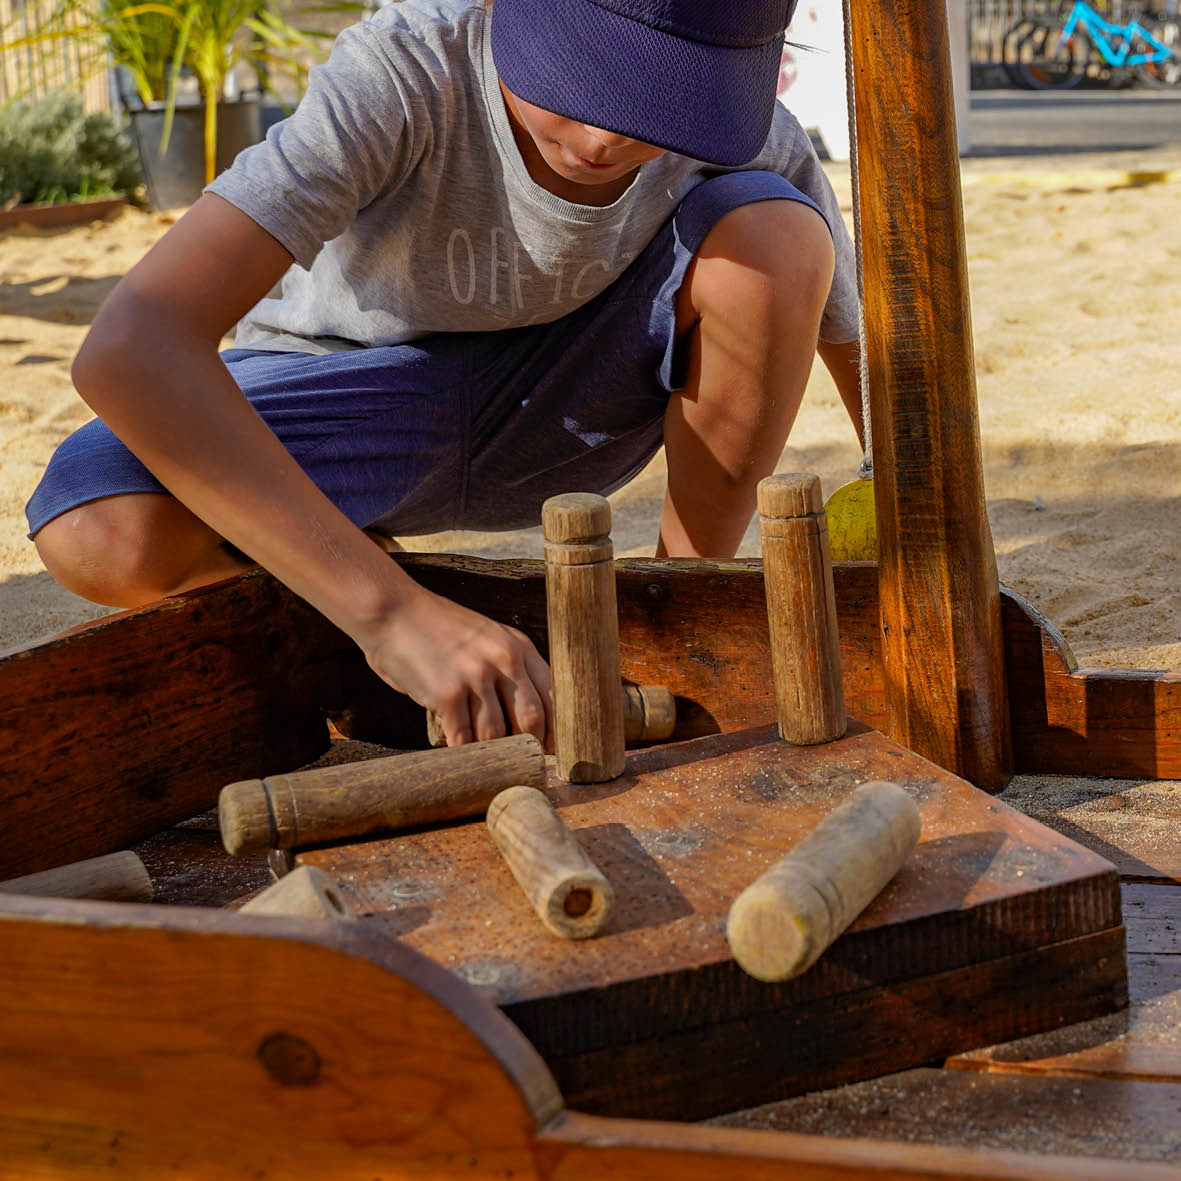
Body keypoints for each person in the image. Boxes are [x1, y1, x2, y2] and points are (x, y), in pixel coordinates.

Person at [26, 0, 863, 749]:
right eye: (580, 82)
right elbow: (132, 346)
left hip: (562, 411)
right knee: (98, 529)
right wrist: (389, 615)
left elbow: (859, 345)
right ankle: (372, 592)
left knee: (779, 240)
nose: (606, 138)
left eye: (657, 104)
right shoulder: (404, 70)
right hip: (350, 402)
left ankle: (668, 613)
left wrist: (893, 486)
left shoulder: (735, 127)